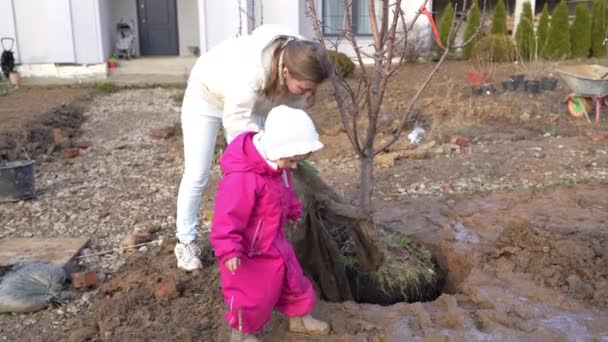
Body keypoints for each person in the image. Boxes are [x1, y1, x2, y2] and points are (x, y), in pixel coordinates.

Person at [174, 24, 332, 271]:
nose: (309, 94)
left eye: (313, 88)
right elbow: (241, 134)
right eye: (305, 88)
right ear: (287, 72)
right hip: (206, 97)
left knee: (273, 167)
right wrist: (267, 156)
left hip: (257, 101)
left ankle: (258, 232)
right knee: (202, 173)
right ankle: (186, 241)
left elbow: (288, 129)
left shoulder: (303, 57)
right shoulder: (251, 72)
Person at [210, 106, 330, 341]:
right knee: (250, 295)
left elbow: (285, 192)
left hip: (273, 240)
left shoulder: (277, 166)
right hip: (248, 252)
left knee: (293, 279)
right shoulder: (242, 178)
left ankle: (300, 318)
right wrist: (229, 248)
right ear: (279, 148)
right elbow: (226, 217)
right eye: (292, 160)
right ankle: (242, 333)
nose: (294, 167)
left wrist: (293, 209)